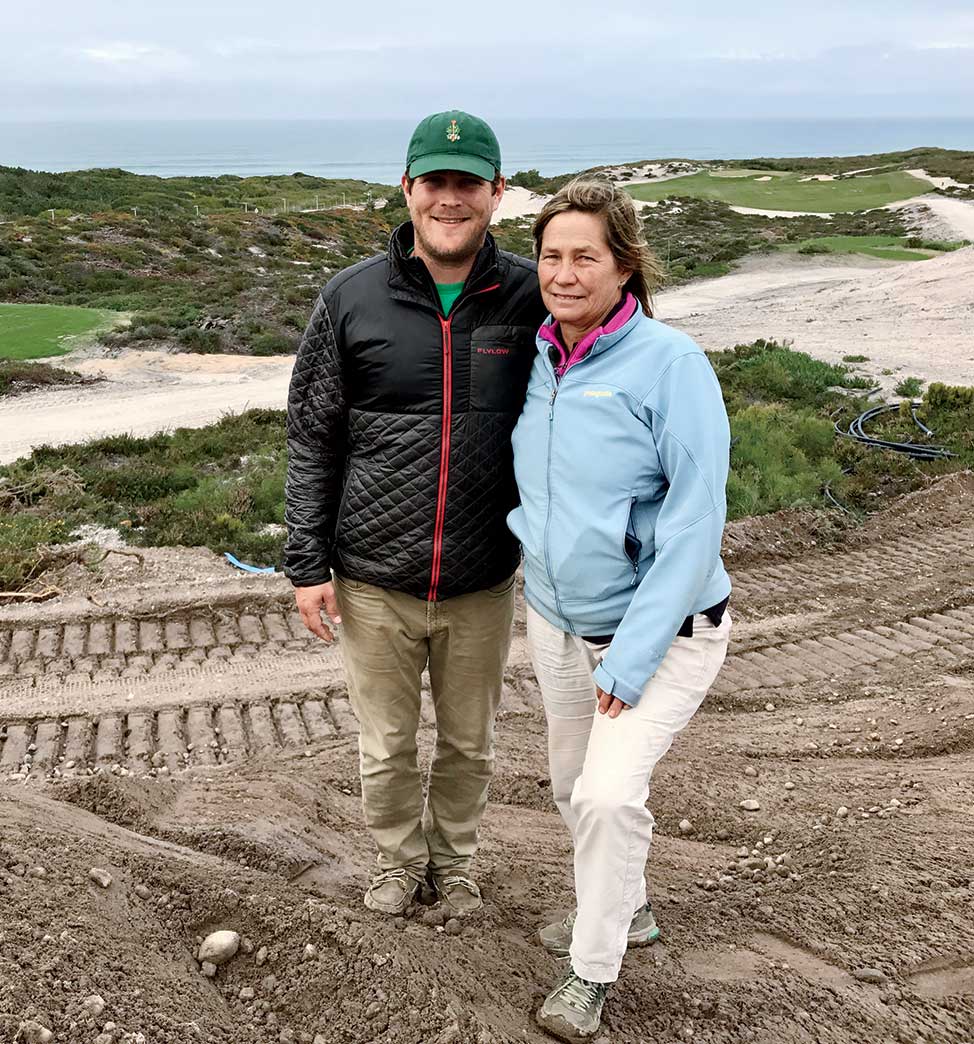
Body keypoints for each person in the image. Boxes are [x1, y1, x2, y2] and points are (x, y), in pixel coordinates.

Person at [284, 110, 546, 919]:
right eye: (435, 181)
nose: (450, 198)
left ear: (497, 194)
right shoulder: (350, 296)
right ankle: (397, 863)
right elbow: (311, 432)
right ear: (407, 188)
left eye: (468, 184)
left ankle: (456, 862)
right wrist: (305, 565)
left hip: (481, 577)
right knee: (388, 746)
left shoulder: (533, 295)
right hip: (372, 578)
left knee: (470, 743)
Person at [507, 178, 732, 1042]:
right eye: (551, 256)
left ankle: (591, 971)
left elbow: (693, 527)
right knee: (571, 786)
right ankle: (630, 908)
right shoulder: (534, 355)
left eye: (584, 257)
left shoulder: (668, 364)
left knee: (605, 797)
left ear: (624, 265)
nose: (564, 274)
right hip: (558, 619)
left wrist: (631, 659)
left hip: (662, 632)